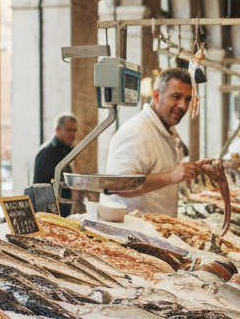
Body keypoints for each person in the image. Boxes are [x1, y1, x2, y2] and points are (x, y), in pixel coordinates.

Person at [102, 67, 201, 217]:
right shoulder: (138, 132)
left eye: (187, 99)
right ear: (156, 96)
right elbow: (118, 185)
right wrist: (171, 176)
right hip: (131, 232)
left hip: (154, 231)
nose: (183, 106)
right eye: (176, 97)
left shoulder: (167, 128)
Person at [32, 112, 78, 217]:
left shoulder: (63, 151)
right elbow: (41, 189)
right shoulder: (47, 153)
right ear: (57, 130)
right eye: (69, 130)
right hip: (51, 214)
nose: (73, 135)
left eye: (74, 130)